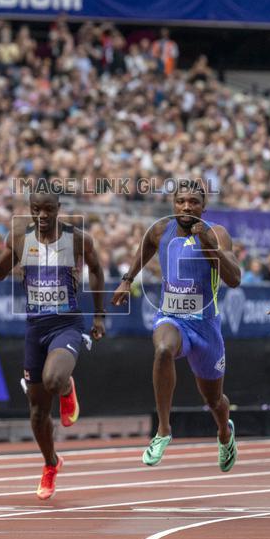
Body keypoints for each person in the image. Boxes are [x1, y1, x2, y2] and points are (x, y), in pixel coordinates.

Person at [0, 190, 106, 499]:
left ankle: (67, 389)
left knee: (54, 378)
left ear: (58, 209)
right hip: (35, 328)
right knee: (38, 411)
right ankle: (51, 464)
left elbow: (97, 270)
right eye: (36, 209)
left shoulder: (78, 239)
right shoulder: (21, 239)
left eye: (48, 209)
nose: (42, 215)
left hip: (66, 324)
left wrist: (100, 315)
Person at [112, 180, 241, 470]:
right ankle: (163, 429)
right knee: (163, 350)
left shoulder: (217, 234)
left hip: (206, 327)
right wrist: (127, 279)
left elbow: (235, 279)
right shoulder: (161, 229)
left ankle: (224, 431)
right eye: (181, 201)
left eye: (193, 202)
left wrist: (212, 248)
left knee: (215, 400)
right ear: (173, 203)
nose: (186, 207)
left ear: (204, 206)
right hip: (172, 317)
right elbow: (145, 246)